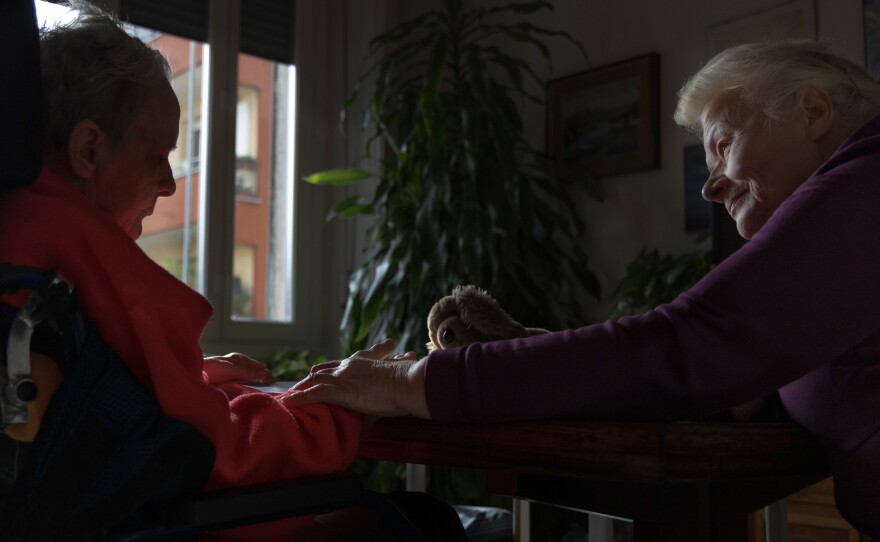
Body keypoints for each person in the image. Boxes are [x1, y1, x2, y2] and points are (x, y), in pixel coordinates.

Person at [288, 40, 880, 538]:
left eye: (723, 146)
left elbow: (689, 345)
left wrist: (407, 381)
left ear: (813, 110)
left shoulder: (865, 182)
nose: (711, 188)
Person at [0, 3, 466, 541]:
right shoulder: (84, 256)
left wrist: (182, 379)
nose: (170, 184)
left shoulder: (20, 231)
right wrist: (340, 404)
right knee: (426, 521)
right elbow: (220, 455)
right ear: (88, 148)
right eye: (157, 156)